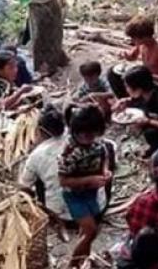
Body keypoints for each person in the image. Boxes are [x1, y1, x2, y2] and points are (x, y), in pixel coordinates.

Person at [58, 105, 113, 269]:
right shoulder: (69, 152)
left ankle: (84, 260)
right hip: (74, 195)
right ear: (76, 131)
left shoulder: (97, 142)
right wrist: (90, 179)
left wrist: (105, 170)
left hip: (91, 192)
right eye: (86, 135)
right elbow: (63, 181)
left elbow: (104, 157)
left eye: (93, 134)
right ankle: (72, 265)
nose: (90, 138)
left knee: (85, 233)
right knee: (91, 231)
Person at [108, 16, 158, 98]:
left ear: (144, 37)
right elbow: (132, 57)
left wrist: (149, 76)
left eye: (134, 38)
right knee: (112, 73)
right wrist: (125, 55)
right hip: (145, 81)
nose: (132, 41)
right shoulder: (141, 44)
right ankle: (125, 100)